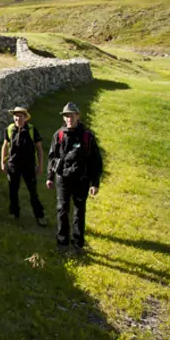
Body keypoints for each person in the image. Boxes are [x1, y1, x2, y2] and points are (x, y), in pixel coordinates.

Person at [46, 102, 103, 252]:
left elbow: (95, 161)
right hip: (62, 179)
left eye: (71, 115)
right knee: (62, 210)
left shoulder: (87, 136)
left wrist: (95, 183)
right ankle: (62, 244)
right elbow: (52, 157)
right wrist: (50, 177)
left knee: (79, 212)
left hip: (81, 179)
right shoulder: (58, 135)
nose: (69, 118)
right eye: (66, 116)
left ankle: (77, 244)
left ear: (77, 116)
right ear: (64, 118)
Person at [0, 106, 47, 226]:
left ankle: (40, 215)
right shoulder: (10, 129)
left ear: (25, 118)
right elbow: (5, 145)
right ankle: (14, 213)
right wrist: (2, 162)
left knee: (33, 192)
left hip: (28, 166)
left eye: (21, 116)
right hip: (13, 165)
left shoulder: (32, 130)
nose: (18, 118)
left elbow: (40, 149)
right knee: (13, 191)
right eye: (16, 115)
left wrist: (40, 166)